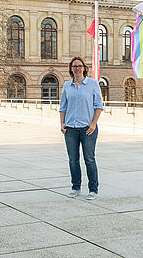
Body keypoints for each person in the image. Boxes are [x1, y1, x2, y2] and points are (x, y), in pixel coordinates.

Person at [59, 57, 103, 200]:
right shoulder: (67, 86)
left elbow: (98, 106)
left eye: (79, 66)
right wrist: (62, 123)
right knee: (73, 160)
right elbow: (63, 107)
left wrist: (93, 123)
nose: (77, 69)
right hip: (70, 129)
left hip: (87, 128)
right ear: (71, 69)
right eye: (74, 66)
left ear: (84, 68)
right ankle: (75, 187)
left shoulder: (92, 84)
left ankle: (93, 189)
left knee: (89, 159)